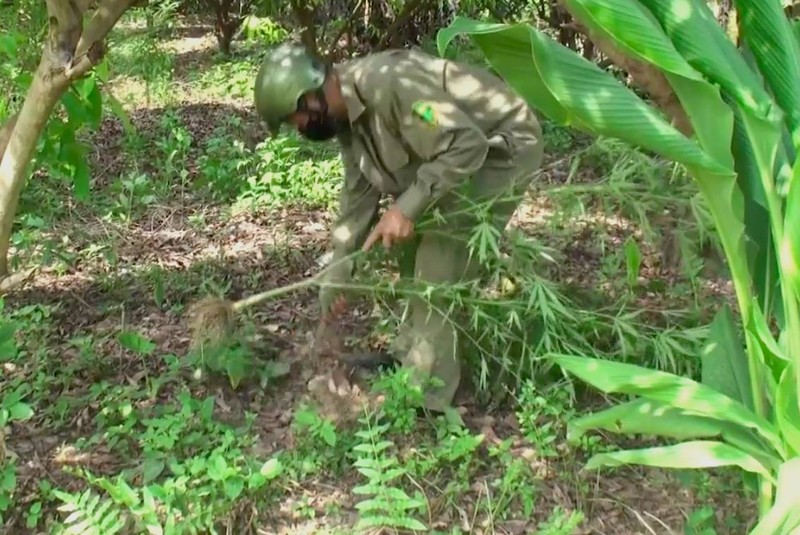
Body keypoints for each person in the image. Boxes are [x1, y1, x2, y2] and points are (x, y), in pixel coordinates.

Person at [253, 41, 544, 412]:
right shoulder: (345, 119)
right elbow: (357, 197)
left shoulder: (392, 86)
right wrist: (340, 268)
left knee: (437, 267)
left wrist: (406, 208)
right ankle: (412, 355)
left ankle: (427, 396)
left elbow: (465, 143)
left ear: (308, 97)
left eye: (294, 120)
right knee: (407, 247)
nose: (299, 129)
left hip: (500, 150)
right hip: (450, 155)